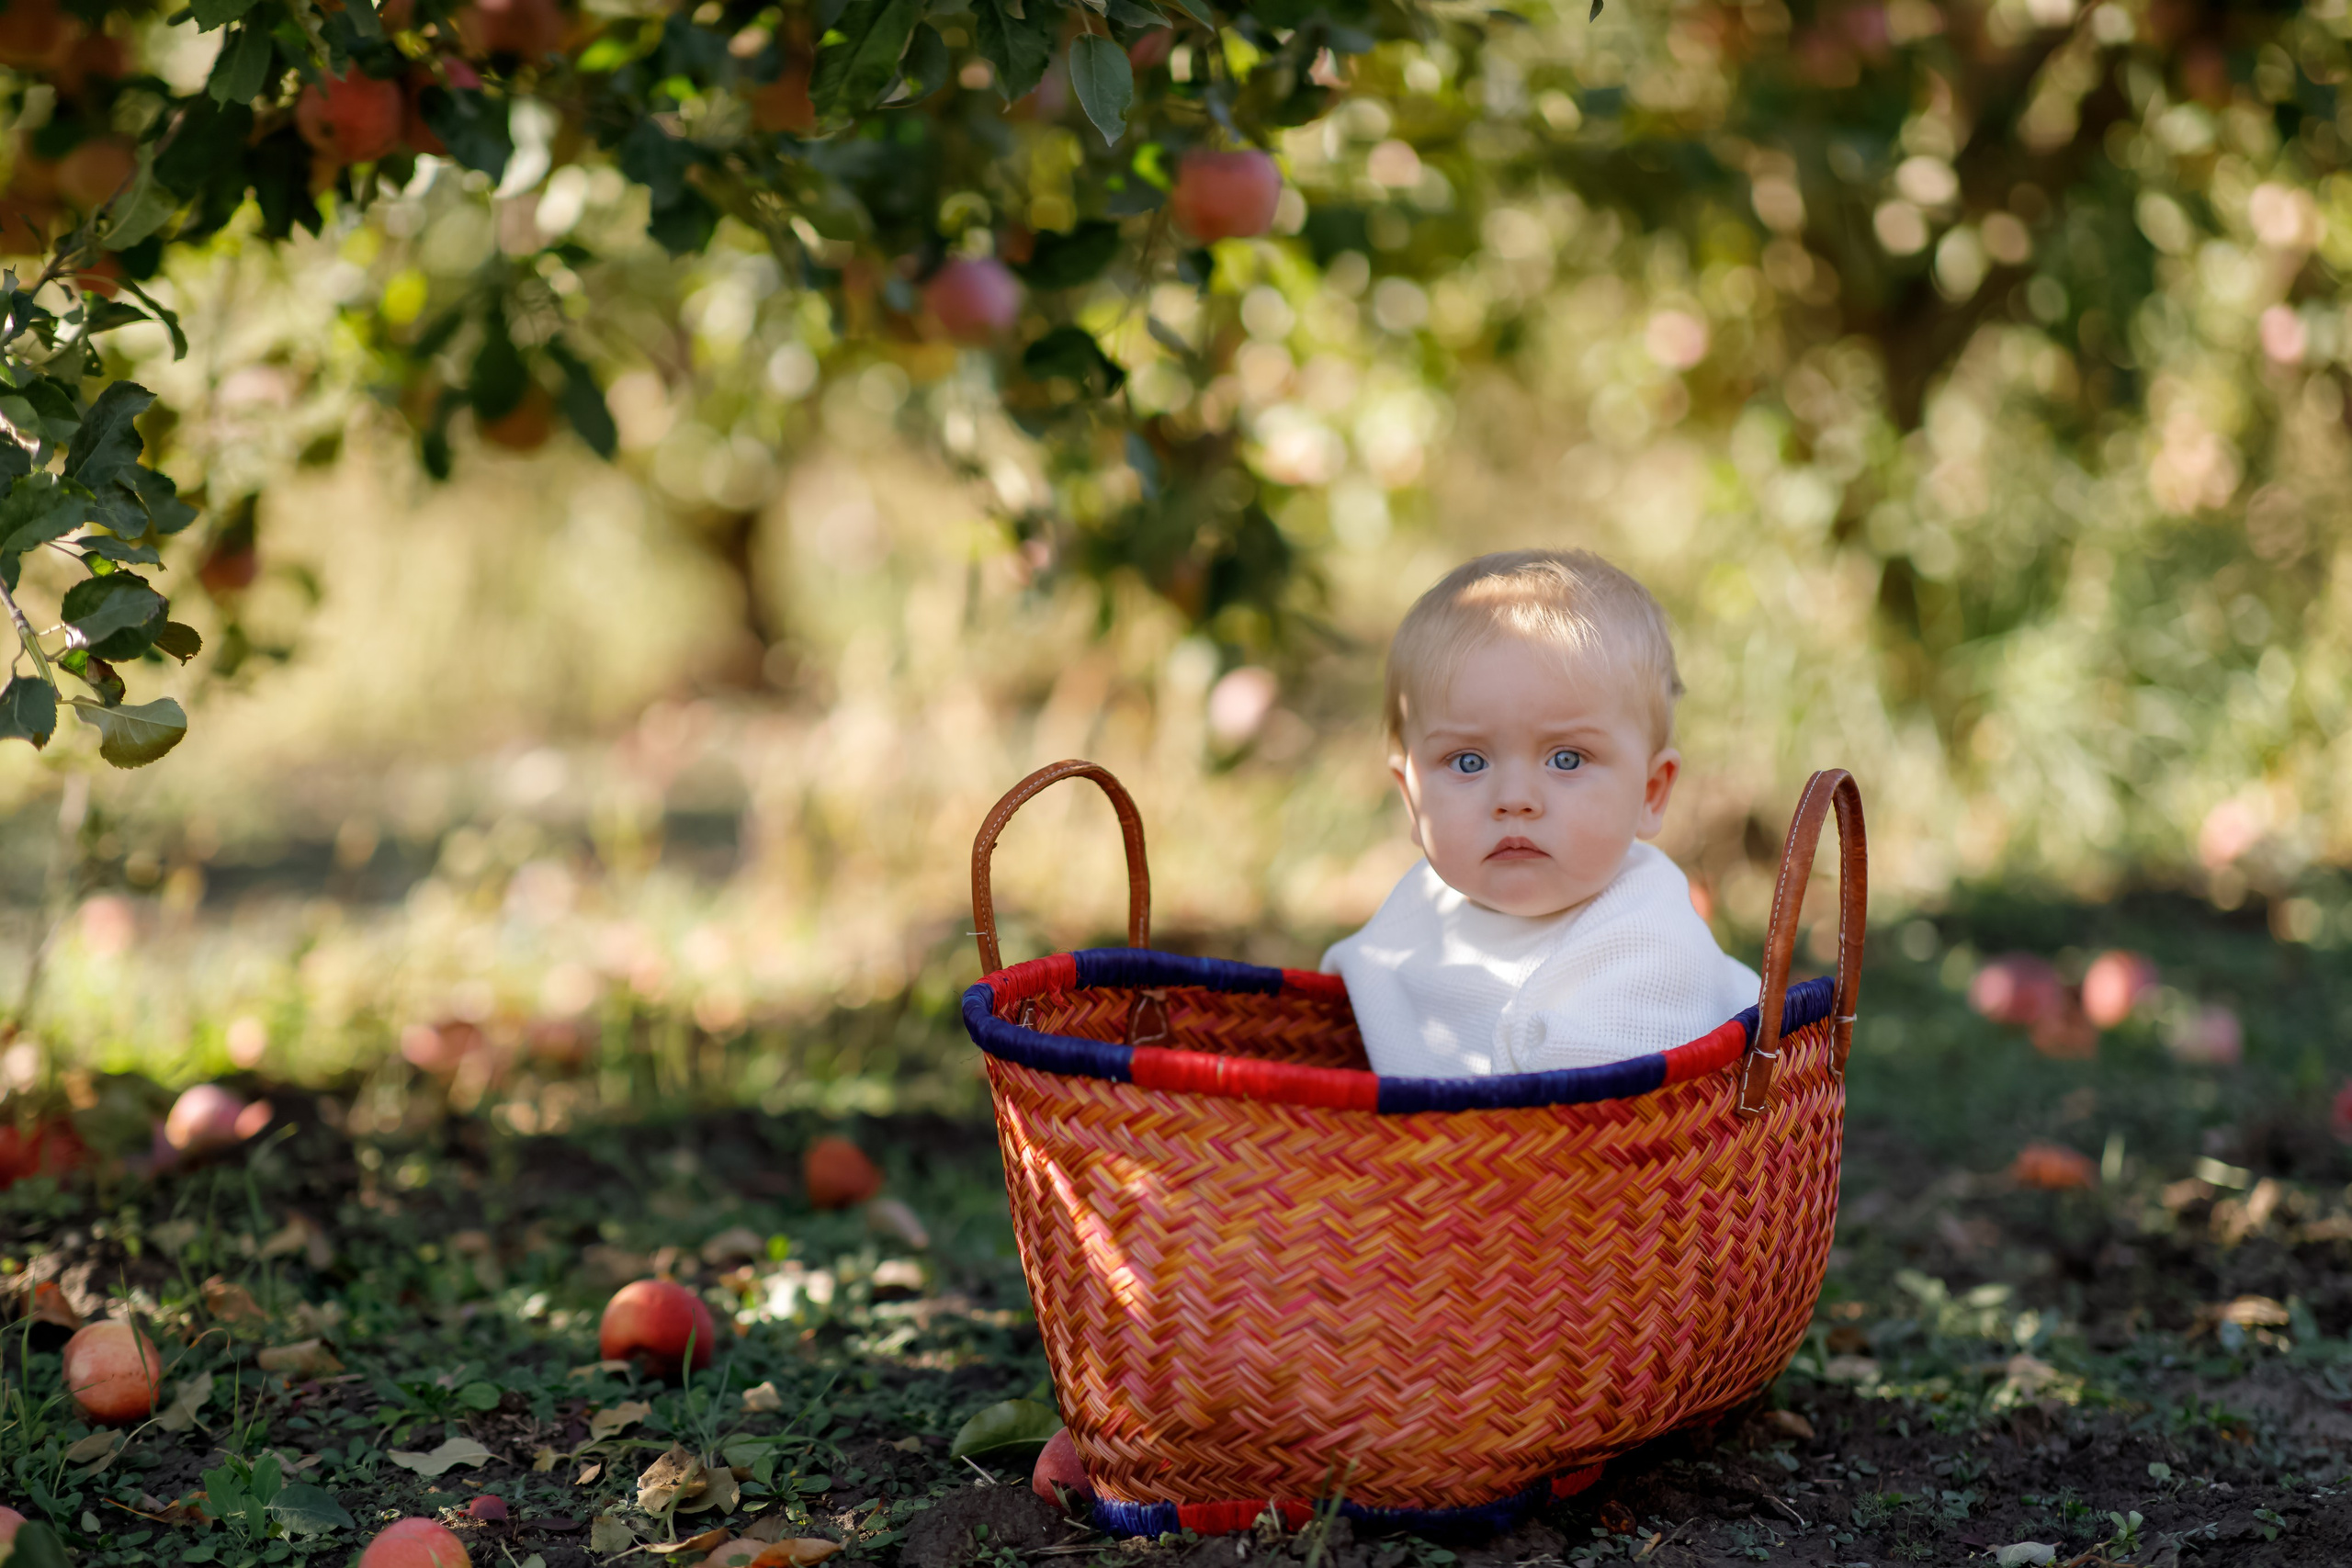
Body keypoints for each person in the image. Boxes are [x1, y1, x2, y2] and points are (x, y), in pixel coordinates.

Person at [1322, 549, 1759, 1077]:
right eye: (1467, 761)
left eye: (1567, 759)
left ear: (1650, 792)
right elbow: (1339, 1022)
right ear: (1412, 798)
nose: (1514, 798)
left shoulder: (1648, 937)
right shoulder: (1419, 911)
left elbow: (1604, 1124)